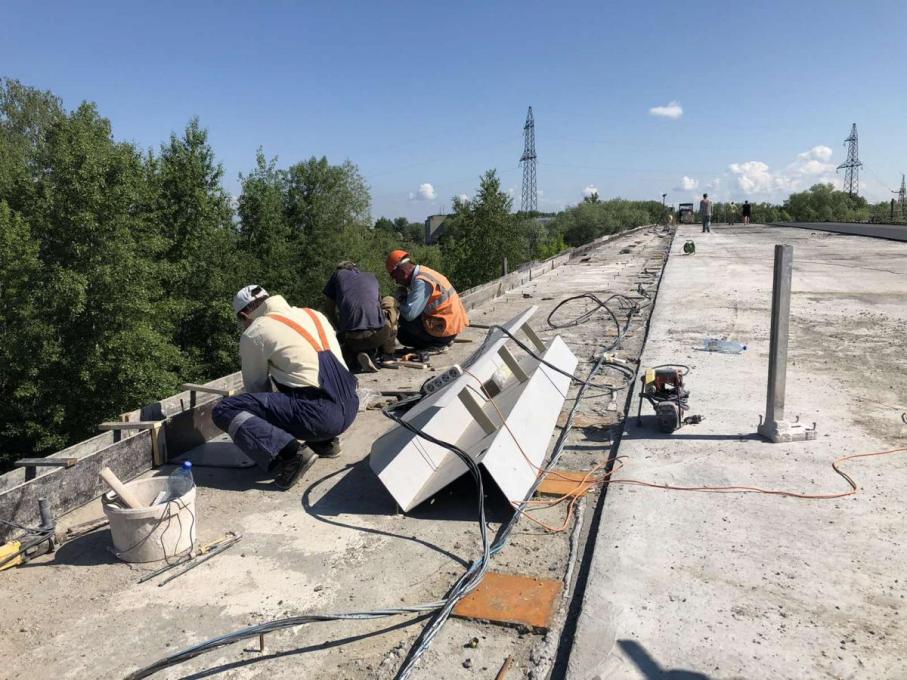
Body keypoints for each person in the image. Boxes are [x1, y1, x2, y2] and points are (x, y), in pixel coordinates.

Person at [212, 285, 359, 490]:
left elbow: (257, 388)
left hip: (321, 415)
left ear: (245, 315)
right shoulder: (312, 314)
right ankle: (325, 442)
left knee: (225, 409)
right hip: (350, 405)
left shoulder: (256, 331)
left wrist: (267, 437)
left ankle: (292, 456)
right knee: (297, 379)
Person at [385, 250, 469, 350]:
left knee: (402, 332)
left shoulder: (421, 282)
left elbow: (409, 314)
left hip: (445, 330)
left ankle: (436, 344)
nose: (396, 281)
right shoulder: (424, 272)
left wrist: (396, 303)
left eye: (394, 276)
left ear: (401, 272)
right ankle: (441, 341)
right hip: (451, 326)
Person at [323, 261, 397, 372]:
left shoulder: (337, 275)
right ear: (355, 268)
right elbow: (377, 305)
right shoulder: (371, 276)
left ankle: (355, 355)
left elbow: (328, 308)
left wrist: (339, 330)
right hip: (378, 336)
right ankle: (387, 354)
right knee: (390, 301)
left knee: (324, 311)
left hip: (351, 339)